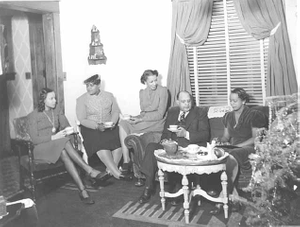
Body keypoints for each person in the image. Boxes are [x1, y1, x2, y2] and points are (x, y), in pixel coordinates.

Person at [27, 88, 106, 205]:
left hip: (55, 146)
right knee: (63, 142)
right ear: (43, 100)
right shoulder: (33, 116)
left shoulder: (56, 110)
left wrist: (67, 130)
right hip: (41, 149)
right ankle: (89, 170)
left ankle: (82, 190)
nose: (55, 101)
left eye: (55, 98)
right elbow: (34, 139)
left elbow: (65, 125)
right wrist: (54, 137)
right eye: (51, 98)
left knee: (64, 151)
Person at [138, 90, 210, 204]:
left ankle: (178, 189)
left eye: (188, 101)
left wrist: (186, 134)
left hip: (187, 147)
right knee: (151, 147)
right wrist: (165, 140)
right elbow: (165, 133)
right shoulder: (172, 112)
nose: (186, 104)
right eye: (183, 101)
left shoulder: (199, 112)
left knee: (179, 151)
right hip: (171, 146)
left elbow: (205, 134)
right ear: (177, 102)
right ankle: (148, 186)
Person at [210, 87, 268, 214]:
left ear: (244, 101)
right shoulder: (228, 116)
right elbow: (226, 137)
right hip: (233, 147)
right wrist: (221, 141)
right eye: (231, 100)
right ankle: (235, 199)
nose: (232, 103)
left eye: (235, 101)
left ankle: (222, 199)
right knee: (215, 152)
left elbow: (255, 138)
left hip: (249, 147)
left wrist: (237, 146)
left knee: (232, 154)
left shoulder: (254, 114)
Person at [76, 74, 132, 181]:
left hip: (108, 126)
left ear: (98, 85)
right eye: (87, 86)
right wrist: (96, 126)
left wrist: (113, 122)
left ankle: (108, 172)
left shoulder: (109, 96)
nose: (88, 88)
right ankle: (118, 174)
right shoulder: (81, 99)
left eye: (91, 85)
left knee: (119, 141)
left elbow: (115, 111)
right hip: (91, 128)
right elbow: (82, 119)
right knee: (100, 143)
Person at [118, 69, 169, 174]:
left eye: (156, 80)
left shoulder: (163, 91)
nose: (154, 83)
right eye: (151, 81)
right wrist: (133, 117)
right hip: (145, 119)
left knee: (128, 125)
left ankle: (128, 161)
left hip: (157, 122)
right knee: (123, 123)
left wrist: (140, 119)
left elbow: (160, 114)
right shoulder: (142, 93)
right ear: (145, 82)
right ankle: (126, 161)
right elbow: (143, 112)